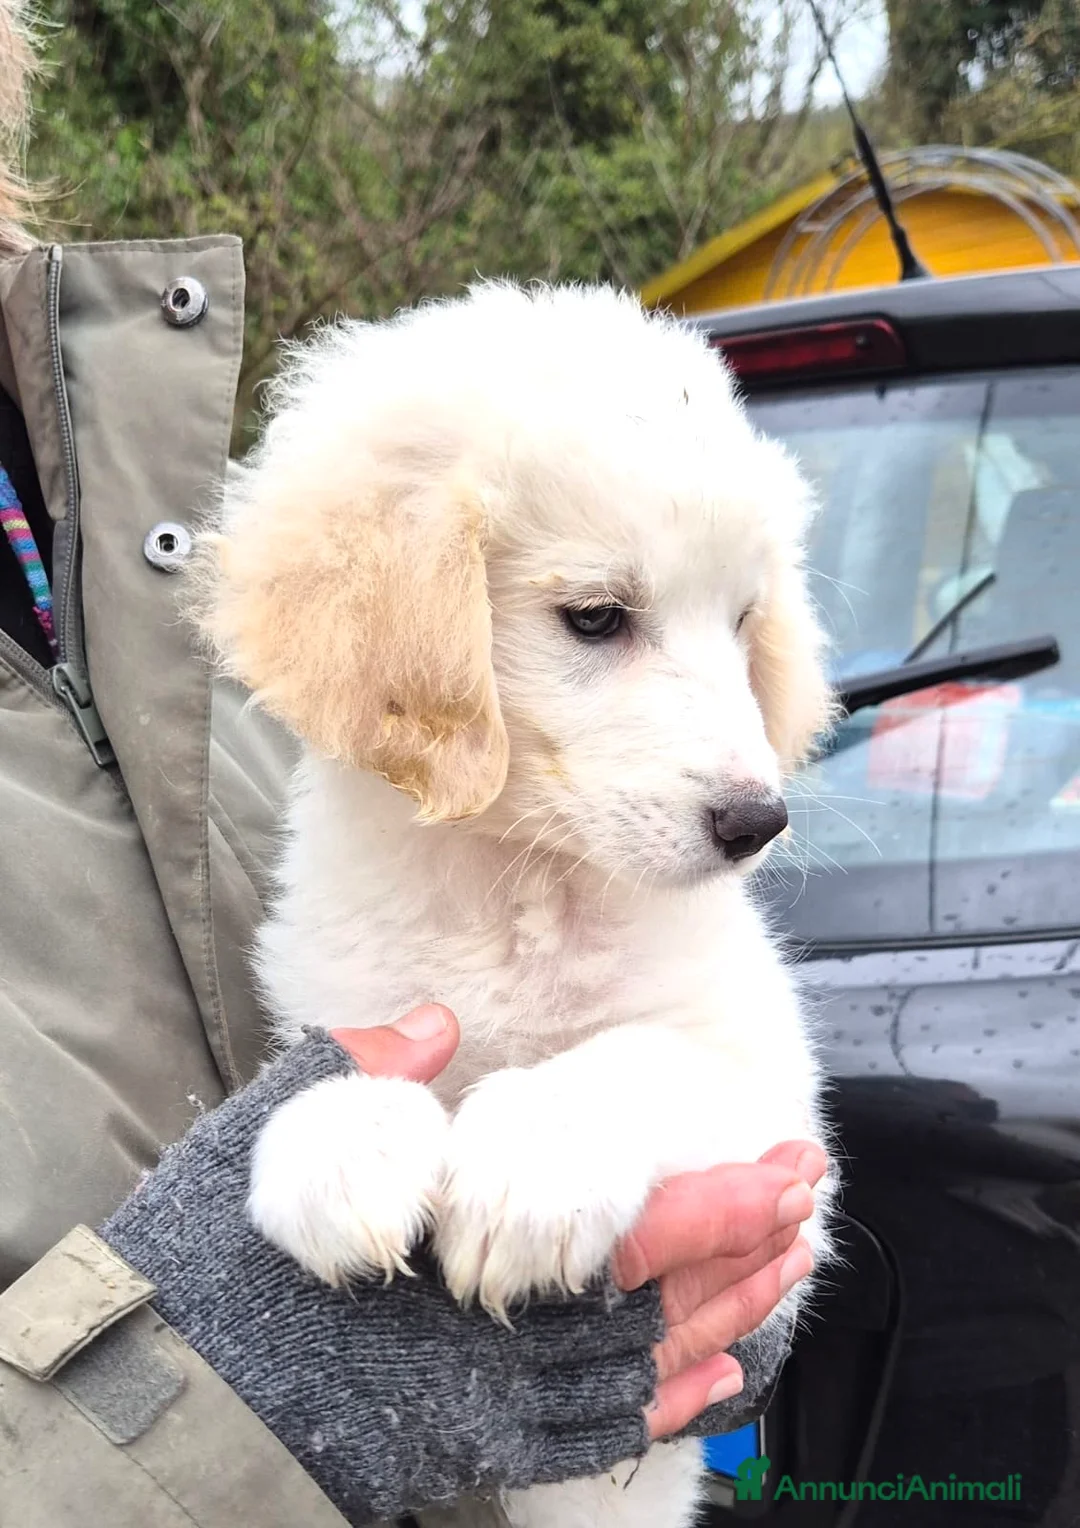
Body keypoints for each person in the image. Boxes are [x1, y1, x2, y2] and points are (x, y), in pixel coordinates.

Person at [0, 6, 822, 1524]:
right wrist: (220, 1366)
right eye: (595, 618)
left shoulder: (105, 513)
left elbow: (763, 1148)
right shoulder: (365, 643)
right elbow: (332, 1120)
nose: (743, 766)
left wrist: (679, 1173)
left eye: (737, 624)